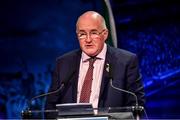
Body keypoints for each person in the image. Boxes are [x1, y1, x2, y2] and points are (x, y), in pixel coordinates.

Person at [45, 11, 145, 118]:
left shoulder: (126, 61)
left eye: (93, 33)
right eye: (82, 34)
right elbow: (50, 108)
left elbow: (136, 105)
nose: (88, 40)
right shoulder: (63, 63)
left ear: (105, 34)